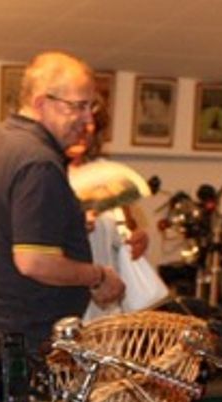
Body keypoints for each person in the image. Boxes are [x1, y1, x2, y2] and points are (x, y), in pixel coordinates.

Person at [0, 51, 124, 402]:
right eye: (78, 106)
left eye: (92, 106)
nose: (88, 119)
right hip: (27, 341)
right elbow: (33, 262)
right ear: (40, 103)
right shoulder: (39, 162)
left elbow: (7, 226)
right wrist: (97, 276)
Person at [66, 103, 150, 318]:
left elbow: (128, 230)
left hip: (107, 308)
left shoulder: (108, 176)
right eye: (78, 125)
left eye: (90, 127)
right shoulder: (45, 173)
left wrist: (138, 239)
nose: (84, 132)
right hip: (66, 303)